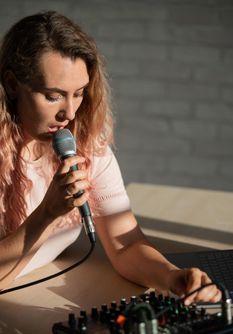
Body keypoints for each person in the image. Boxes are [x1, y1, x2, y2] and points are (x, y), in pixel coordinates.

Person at [0, 11, 221, 305]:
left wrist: (171, 277)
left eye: (78, 93)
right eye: (53, 96)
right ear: (13, 84)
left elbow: (126, 244)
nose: (70, 113)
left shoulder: (85, 144)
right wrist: (47, 214)